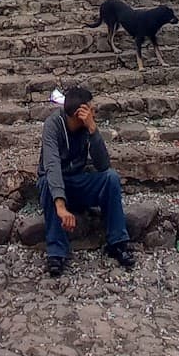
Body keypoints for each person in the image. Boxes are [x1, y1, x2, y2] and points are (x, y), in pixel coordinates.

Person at [37, 85, 134, 278]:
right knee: (47, 181)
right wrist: (60, 205)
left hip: (79, 180)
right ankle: (57, 252)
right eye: (91, 108)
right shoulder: (53, 125)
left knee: (111, 178)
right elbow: (52, 165)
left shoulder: (87, 127)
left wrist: (93, 130)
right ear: (78, 113)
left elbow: (103, 165)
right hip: (57, 183)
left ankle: (117, 242)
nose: (94, 111)